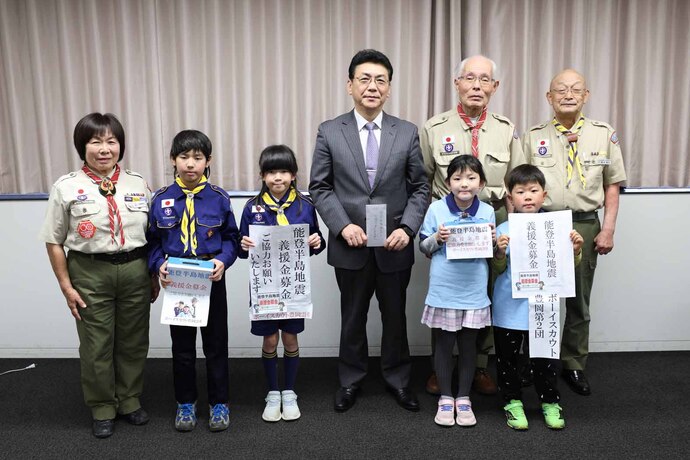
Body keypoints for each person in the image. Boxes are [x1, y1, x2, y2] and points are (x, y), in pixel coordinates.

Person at [309, 49, 430, 413]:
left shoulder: (407, 132)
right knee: (353, 316)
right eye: (364, 79)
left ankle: (398, 380)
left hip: (394, 243)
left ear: (389, 88)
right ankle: (350, 381)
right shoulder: (330, 131)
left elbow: (420, 187)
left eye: (380, 80)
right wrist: (342, 226)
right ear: (350, 85)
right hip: (351, 244)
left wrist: (408, 228)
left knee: (395, 317)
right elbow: (319, 187)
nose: (372, 86)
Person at [39, 112, 158, 438]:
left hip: (136, 269)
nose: (104, 149)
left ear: (120, 145)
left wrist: (151, 275)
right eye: (96, 141)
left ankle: (130, 400)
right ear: (83, 146)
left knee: (134, 342)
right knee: (96, 345)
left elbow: (153, 234)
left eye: (111, 141)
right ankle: (103, 406)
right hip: (90, 273)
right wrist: (66, 286)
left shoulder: (138, 183)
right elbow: (54, 240)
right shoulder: (66, 187)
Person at [420, 55, 526, 396]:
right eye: (470, 78)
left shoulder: (506, 129)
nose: (476, 86)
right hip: (448, 220)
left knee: (487, 293)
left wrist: (514, 227)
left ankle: (479, 365)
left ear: (495, 87)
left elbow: (516, 184)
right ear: (457, 83)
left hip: (492, 218)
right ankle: (442, 369)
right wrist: (432, 225)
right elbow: (422, 180)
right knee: (447, 294)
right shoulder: (434, 128)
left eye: (485, 80)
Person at [523, 69, 626, 395]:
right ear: (549, 97)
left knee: (578, 300)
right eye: (561, 90)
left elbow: (612, 185)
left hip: (584, 221)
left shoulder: (603, 134)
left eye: (575, 90)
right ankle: (537, 362)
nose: (568, 94)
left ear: (586, 95)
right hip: (541, 223)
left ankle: (574, 364)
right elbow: (519, 186)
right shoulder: (532, 136)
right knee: (537, 298)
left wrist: (607, 228)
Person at [147, 130, 239, 431]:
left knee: (216, 346)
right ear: (173, 160)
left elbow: (231, 239)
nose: (190, 164)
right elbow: (151, 242)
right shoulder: (161, 200)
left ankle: (219, 403)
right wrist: (159, 264)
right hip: (179, 282)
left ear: (208, 161)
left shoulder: (219, 198)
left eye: (197, 158)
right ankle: (185, 403)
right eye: (184, 157)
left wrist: (222, 261)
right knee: (183, 349)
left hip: (210, 279)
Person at [492, 164, 584, 430]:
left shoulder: (557, 227)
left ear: (544, 194)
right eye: (520, 192)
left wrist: (575, 250)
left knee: (544, 359)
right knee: (507, 359)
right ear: (510, 197)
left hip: (543, 307)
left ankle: (550, 402)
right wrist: (499, 252)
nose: (528, 197)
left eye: (533, 190)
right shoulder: (503, 229)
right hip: (508, 307)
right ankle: (512, 403)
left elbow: (567, 270)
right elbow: (496, 270)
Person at [239, 145, 325, 422]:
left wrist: (316, 241)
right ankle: (272, 392)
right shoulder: (251, 208)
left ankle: (289, 391)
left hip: (292, 286)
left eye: (284, 171)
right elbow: (240, 249)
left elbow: (316, 241)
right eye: (272, 172)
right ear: (262, 175)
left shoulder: (305, 205)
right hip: (263, 285)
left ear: (294, 175)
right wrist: (243, 244)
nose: (278, 178)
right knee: (269, 338)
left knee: (289, 337)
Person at [418, 155, 495, 427]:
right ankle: (446, 398)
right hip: (444, 289)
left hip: (473, 289)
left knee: (468, 346)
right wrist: (437, 238)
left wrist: (494, 240)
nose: (464, 184)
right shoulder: (436, 209)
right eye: (458, 178)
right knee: (443, 345)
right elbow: (423, 247)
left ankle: (464, 398)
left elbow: (491, 253)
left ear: (481, 183)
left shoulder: (487, 211)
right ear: (448, 182)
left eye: (471, 178)